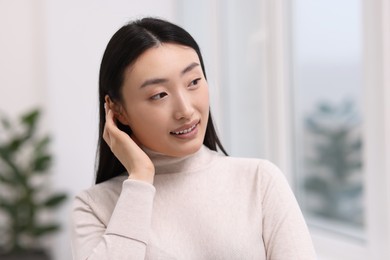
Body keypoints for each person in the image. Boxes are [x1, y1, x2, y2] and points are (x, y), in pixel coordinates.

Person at [70, 17, 316, 260]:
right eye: (159, 95)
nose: (185, 110)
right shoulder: (95, 208)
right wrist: (141, 177)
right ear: (118, 110)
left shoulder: (259, 182)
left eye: (194, 82)